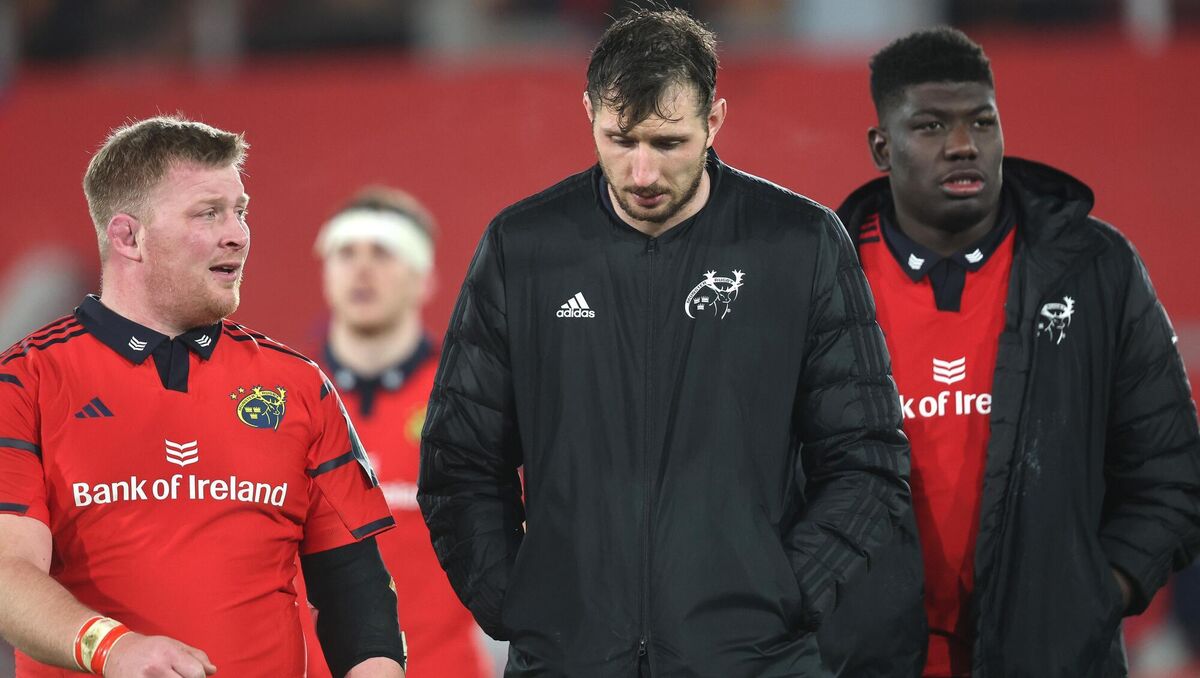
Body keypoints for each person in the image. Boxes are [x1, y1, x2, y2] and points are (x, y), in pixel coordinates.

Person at [418, 7, 912, 677]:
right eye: (621, 140)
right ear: (587, 111)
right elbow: (460, 462)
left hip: (757, 660)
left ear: (715, 121)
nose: (643, 173)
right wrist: (519, 605)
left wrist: (784, 593)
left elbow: (867, 457)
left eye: (669, 142)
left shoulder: (800, 245)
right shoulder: (523, 249)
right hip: (569, 659)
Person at [833, 27, 1200, 676]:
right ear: (881, 148)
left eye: (982, 120)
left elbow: (1171, 473)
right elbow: (762, 485)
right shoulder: (819, 281)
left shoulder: (1095, 270)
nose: (963, 145)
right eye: (931, 126)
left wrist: (1096, 594)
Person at [0, 116, 407, 677]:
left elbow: (355, 591)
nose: (237, 233)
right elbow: (7, 574)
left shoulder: (298, 385)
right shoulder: (25, 382)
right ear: (127, 237)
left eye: (240, 210)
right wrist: (113, 648)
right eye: (207, 212)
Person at [298, 188, 491, 678]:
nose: (362, 269)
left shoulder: (474, 398)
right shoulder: (279, 400)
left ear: (424, 278)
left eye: (383, 252)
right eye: (345, 252)